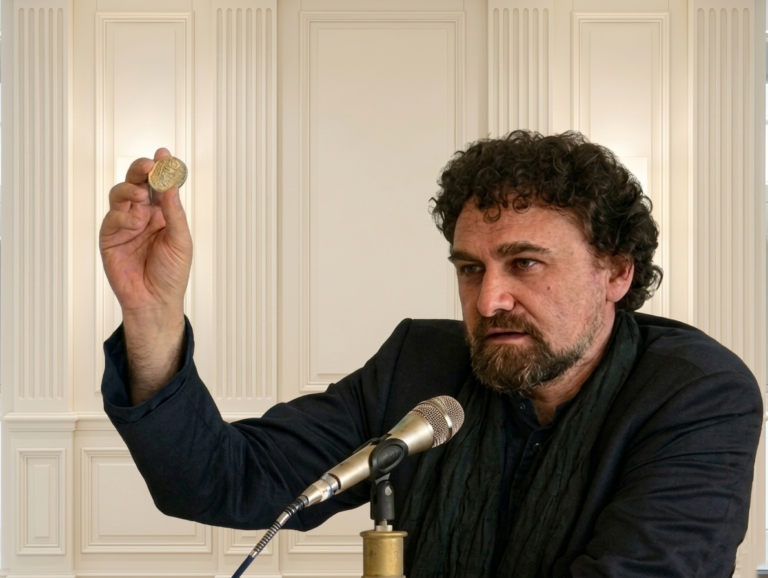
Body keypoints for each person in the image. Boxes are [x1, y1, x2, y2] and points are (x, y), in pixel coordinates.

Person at [100, 131, 762, 577]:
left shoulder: (698, 394)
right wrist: (151, 318)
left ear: (616, 272)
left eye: (524, 263)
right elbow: (223, 481)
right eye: (470, 268)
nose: (490, 298)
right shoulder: (419, 367)